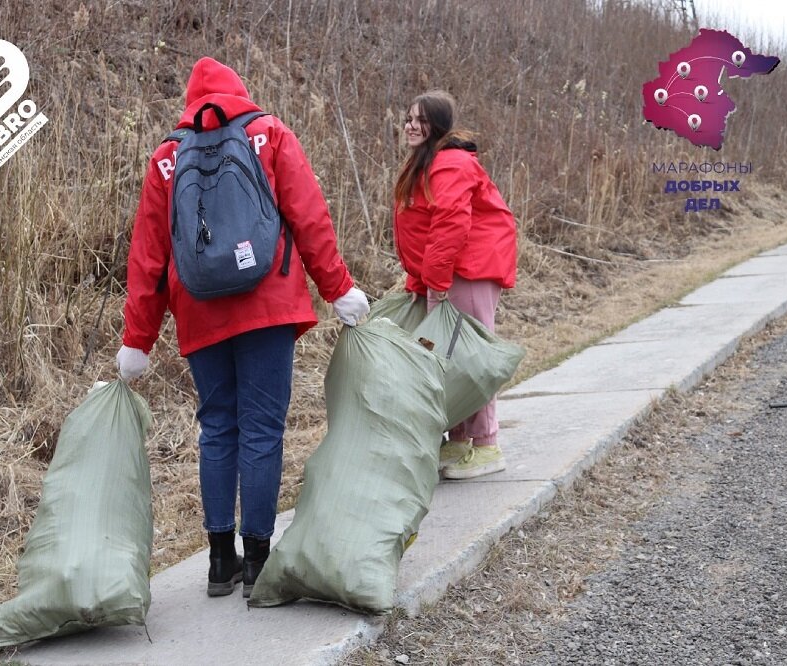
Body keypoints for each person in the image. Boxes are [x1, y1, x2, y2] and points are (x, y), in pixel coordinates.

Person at [116, 57, 369, 598]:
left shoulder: (167, 158)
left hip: (199, 311)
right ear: (239, 92)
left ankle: (217, 562)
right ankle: (257, 559)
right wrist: (338, 288)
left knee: (219, 428)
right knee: (261, 430)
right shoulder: (268, 134)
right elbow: (309, 217)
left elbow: (148, 260)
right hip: (267, 306)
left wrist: (136, 341)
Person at [393, 90, 517, 480]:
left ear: (439, 126)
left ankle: (486, 445)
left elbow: (450, 224)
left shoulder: (451, 163)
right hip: (449, 273)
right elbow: (423, 229)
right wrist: (419, 278)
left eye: (421, 120)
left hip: (468, 270)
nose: (412, 125)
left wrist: (436, 279)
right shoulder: (428, 161)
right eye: (410, 118)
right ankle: (460, 439)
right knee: (447, 357)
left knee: (468, 358)